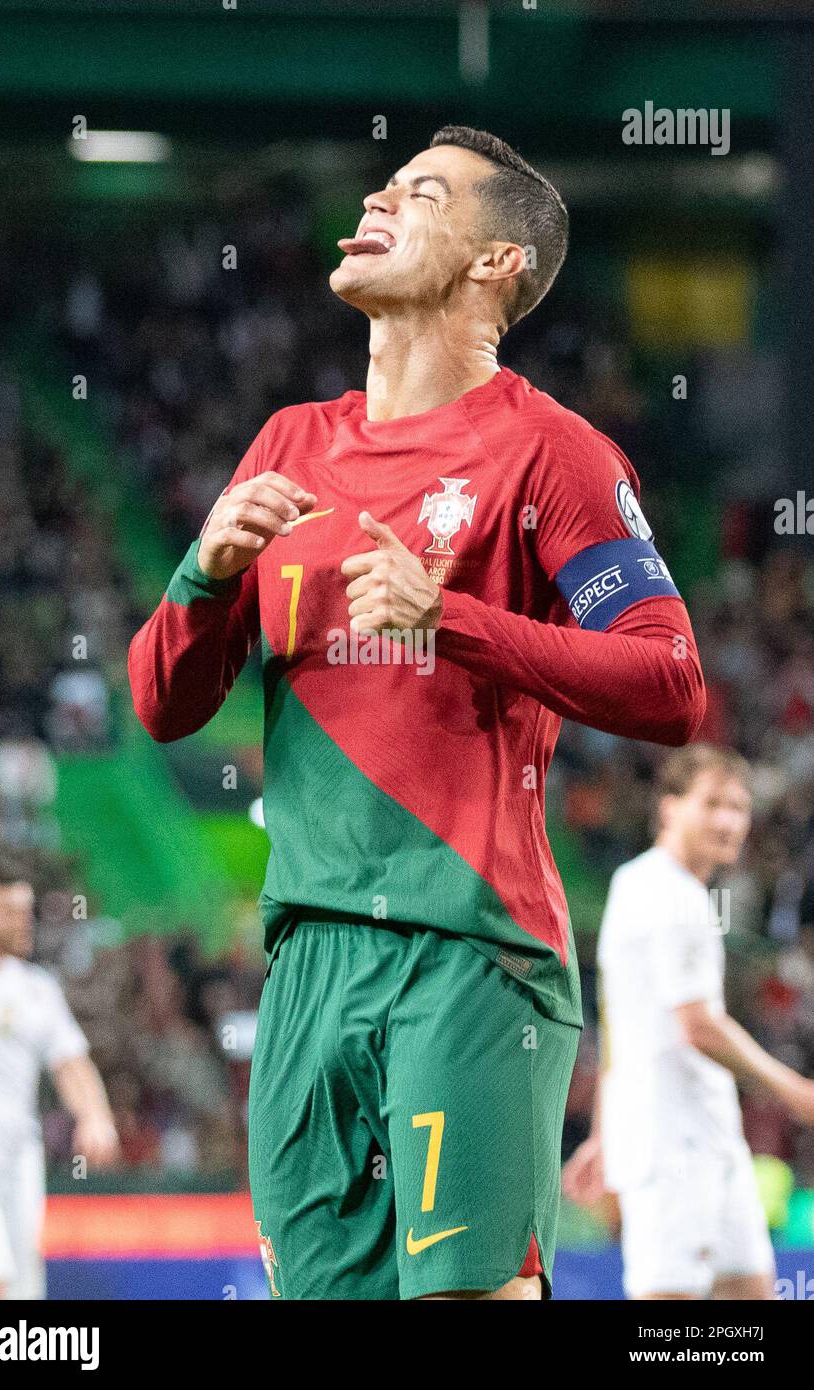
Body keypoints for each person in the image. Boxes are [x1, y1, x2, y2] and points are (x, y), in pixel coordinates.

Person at [129, 125, 705, 1300]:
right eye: (382, 184)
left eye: (419, 192)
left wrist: (451, 621)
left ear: (495, 262)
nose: (377, 201)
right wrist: (199, 573)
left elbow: (669, 681)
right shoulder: (291, 444)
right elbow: (160, 704)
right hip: (299, 967)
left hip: (466, 950)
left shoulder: (552, 454)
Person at [563, 744, 814, 1301]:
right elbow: (697, 1025)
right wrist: (793, 1089)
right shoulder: (664, 893)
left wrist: (605, 1134)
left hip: (711, 1135)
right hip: (669, 1145)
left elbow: (617, 1025)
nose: (728, 820)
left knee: (751, 1294)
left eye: (738, 807)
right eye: (712, 803)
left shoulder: (652, 887)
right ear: (670, 805)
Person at [0, 852, 119, 1300]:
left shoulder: (37, 987)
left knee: (23, 1290)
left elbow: (71, 1061)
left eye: (29, 911)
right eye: (10, 912)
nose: (27, 922)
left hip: (20, 1161)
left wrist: (95, 1115)